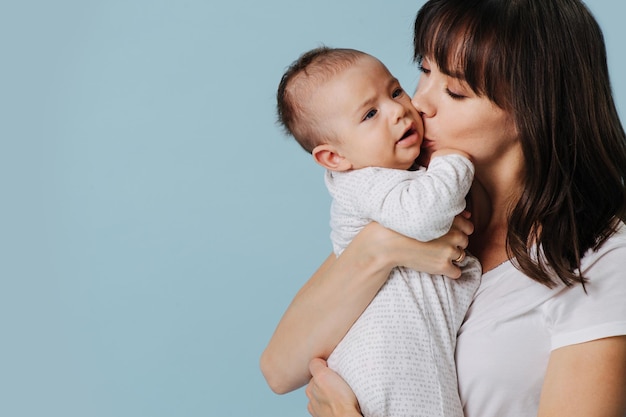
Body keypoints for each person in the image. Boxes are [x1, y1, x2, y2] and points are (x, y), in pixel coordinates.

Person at [260, 0, 626, 416]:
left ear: (534, 110)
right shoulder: (413, 208)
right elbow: (279, 369)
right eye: (424, 70)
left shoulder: (602, 263)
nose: (418, 104)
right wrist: (379, 248)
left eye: (454, 91)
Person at [266, 46, 481, 417]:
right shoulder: (363, 182)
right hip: (385, 367)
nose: (399, 109)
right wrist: (454, 158)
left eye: (396, 91)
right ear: (335, 158)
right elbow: (424, 213)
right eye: (370, 113)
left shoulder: (391, 175)